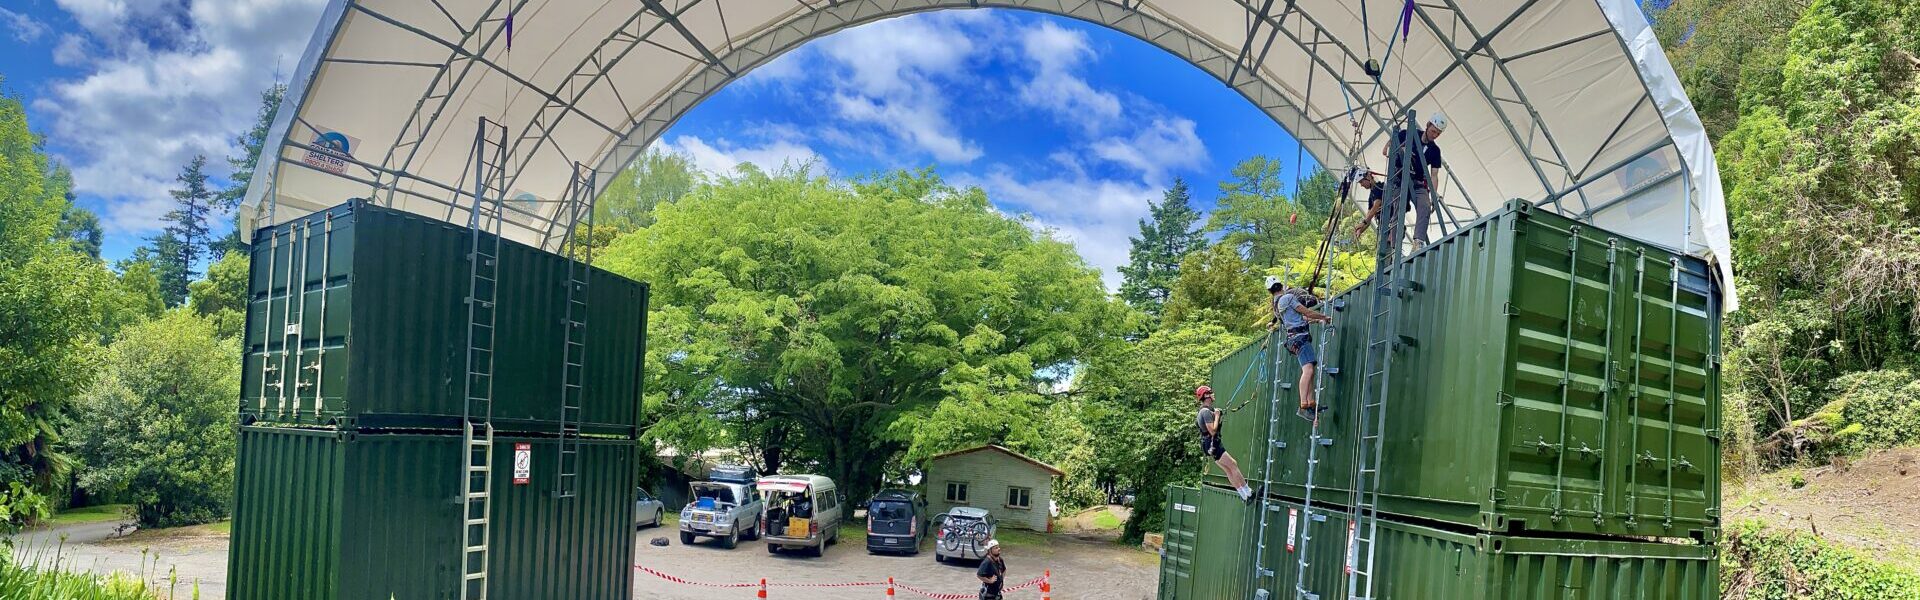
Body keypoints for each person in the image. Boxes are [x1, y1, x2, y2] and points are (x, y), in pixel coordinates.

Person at [1378, 112, 1448, 247]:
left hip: (1418, 182)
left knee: (1425, 206)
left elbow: (1434, 175)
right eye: (1433, 131)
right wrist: (1390, 147)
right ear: (1427, 125)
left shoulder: (1435, 150)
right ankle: (1394, 246)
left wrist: (1433, 195)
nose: (1434, 135)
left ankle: (1418, 241)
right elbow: (1391, 144)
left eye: (1438, 134)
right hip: (1400, 179)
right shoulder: (1408, 134)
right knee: (1398, 210)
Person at [1268, 277, 1333, 420]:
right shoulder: (1288, 298)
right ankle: (1304, 405)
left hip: (1294, 338)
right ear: (1281, 286)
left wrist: (1317, 320)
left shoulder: (1277, 305)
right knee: (1308, 370)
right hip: (1300, 337)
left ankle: (1311, 403)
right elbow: (1306, 312)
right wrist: (1324, 317)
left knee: (1310, 370)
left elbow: (1300, 319)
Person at [1195, 386, 1258, 504]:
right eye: (1210, 393)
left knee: (1228, 469)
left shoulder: (1204, 411)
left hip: (1209, 445)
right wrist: (1217, 415)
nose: (1213, 394)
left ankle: (1244, 496)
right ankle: (1248, 492)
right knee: (1233, 464)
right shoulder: (1205, 412)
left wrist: (1217, 412)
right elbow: (1212, 430)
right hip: (1213, 444)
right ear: (1206, 396)